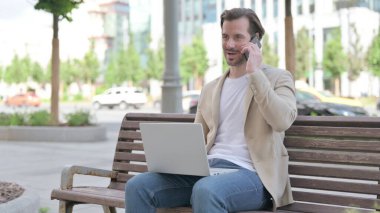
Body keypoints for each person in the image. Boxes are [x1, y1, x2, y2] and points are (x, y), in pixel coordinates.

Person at [125, 8, 297, 213]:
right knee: (138, 186)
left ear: (255, 40)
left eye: (238, 37)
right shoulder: (211, 88)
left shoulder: (278, 78)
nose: (230, 44)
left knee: (206, 190)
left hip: (255, 176)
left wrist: (255, 73)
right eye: (225, 36)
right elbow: (196, 139)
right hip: (209, 171)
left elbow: (282, 121)